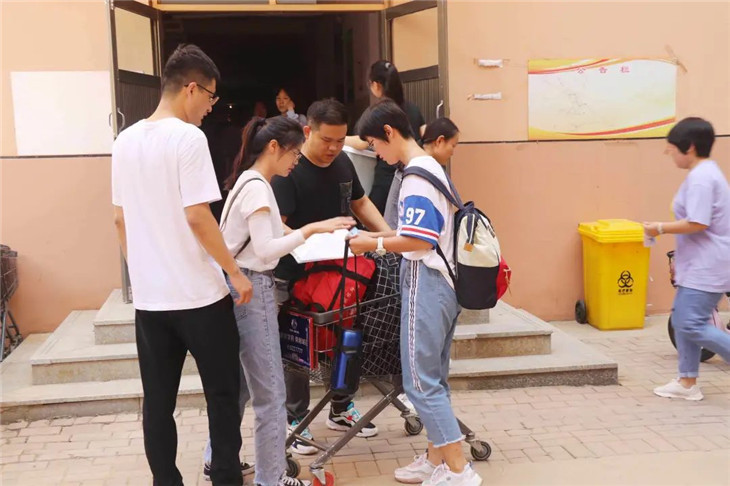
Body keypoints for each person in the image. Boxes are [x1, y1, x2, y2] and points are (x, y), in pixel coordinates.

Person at [111, 44, 252, 486]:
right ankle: (225, 477)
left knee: (158, 403)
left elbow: (119, 219)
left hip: (152, 303)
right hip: (200, 297)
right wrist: (234, 271)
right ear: (191, 88)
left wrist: (143, 271)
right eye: (210, 97)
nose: (211, 107)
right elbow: (198, 215)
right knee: (222, 395)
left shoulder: (124, 140)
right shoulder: (188, 139)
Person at [201, 116, 355, 485]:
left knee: (243, 385)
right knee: (271, 393)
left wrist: (314, 230)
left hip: (237, 285)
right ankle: (270, 478)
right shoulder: (258, 188)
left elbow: (272, 232)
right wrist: (311, 230)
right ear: (274, 147)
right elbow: (267, 248)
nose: (296, 162)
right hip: (252, 287)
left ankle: (217, 458)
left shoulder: (249, 181)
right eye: (294, 154)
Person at [349, 99, 483, 486]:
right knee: (433, 379)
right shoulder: (429, 168)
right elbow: (416, 232)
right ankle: (436, 458)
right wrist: (378, 236)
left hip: (427, 281)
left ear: (389, 133)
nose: (376, 153)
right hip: (443, 284)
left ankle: (457, 470)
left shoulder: (417, 177)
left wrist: (373, 244)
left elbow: (419, 240)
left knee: (420, 384)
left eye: (375, 144)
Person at [272, 98, 391, 454]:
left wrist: (388, 237)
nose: (334, 148)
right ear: (308, 130)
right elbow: (276, 226)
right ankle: (295, 419)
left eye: (340, 140)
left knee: (345, 339)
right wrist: (311, 238)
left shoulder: (342, 162)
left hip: (342, 276)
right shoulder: (289, 169)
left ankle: (340, 407)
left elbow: (360, 202)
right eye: (327, 140)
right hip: (294, 276)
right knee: (298, 347)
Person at [643, 117, 730, 401]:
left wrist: (659, 228)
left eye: (672, 147)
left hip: (708, 265)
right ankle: (687, 381)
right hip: (699, 264)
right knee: (683, 319)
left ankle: (687, 381)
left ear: (689, 147)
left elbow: (698, 222)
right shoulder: (703, 174)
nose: (668, 153)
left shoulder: (702, 178)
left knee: (690, 323)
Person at [346, 60, 426, 214]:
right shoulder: (413, 109)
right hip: (411, 172)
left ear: (376, 85)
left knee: (380, 216)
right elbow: (424, 132)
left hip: (387, 178)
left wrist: (337, 138)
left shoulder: (379, 113)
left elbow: (362, 142)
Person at [384, 117, 460, 230]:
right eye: (453, 145)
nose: (452, 152)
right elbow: (393, 218)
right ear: (439, 141)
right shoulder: (415, 172)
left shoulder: (429, 168)